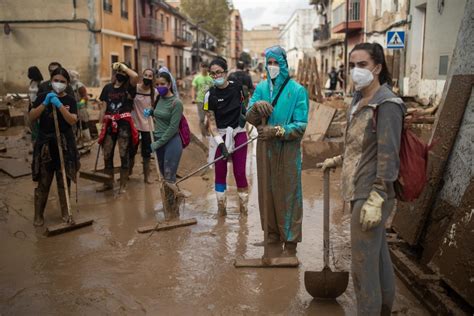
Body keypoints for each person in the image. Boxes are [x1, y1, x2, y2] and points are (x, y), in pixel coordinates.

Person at [321, 42, 406, 315]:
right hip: (360, 188)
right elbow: (357, 145)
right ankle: (383, 309)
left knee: (362, 265)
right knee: (378, 258)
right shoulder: (359, 101)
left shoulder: (387, 104)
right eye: (352, 65)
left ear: (377, 68)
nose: (355, 71)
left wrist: (377, 196)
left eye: (362, 65)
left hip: (371, 194)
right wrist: (337, 160)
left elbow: (388, 155)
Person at [246, 45, 308, 257]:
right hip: (264, 149)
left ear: (284, 64)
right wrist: (255, 108)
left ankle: (290, 243)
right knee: (267, 192)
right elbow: (249, 116)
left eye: (276, 63)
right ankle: (271, 236)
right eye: (269, 63)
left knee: (288, 195)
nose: (272, 67)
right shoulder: (261, 89)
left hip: (287, 152)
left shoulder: (297, 91)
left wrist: (277, 130)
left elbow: (300, 126)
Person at [29, 67, 80, 226]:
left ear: (67, 83)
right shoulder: (42, 96)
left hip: (64, 144)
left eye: (62, 81)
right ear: (51, 81)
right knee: (44, 181)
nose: (59, 84)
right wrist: (45, 103)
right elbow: (32, 116)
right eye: (56, 81)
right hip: (46, 145)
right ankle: (38, 215)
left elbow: (72, 120)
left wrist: (59, 105)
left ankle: (66, 212)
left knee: (63, 179)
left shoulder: (70, 100)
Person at [203, 56, 249, 217]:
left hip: (239, 133)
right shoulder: (209, 95)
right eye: (212, 74)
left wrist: (245, 118)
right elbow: (212, 124)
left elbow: (244, 108)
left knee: (239, 173)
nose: (216, 76)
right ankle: (221, 210)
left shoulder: (237, 88)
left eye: (218, 72)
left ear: (226, 72)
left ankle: (244, 212)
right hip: (219, 135)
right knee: (220, 172)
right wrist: (221, 145)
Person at [97, 62, 139, 193]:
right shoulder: (107, 88)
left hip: (124, 125)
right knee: (107, 154)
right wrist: (100, 125)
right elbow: (103, 107)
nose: (120, 74)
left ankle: (123, 185)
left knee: (123, 153)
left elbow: (136, 76)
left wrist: (124, 67)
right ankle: (108, 183)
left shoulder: (129, 88)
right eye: (118, 72)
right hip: (109, 124)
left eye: (123, 72)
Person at [144, 68, 183, 186]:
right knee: (163, 177)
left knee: (169, 177)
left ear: (169, 84)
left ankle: (171, 203)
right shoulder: (158, 99)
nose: (159, 87)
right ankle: (172, 201)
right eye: (157, 84)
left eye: (162, 84)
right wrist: (151, 112)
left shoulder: (176, 103)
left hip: (171, 142)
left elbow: (173, 128)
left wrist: (158, 143)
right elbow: (158, 113)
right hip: (158, 140)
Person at [132, 68, 157, 183]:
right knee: (131, 150)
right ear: (142, 76)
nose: (147, 77)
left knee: (146, 153)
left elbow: (156, 107)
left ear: (153, 78)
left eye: (150, 76)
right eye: (145, 75)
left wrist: (152, 111)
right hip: (134, 125)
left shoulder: (154, 92)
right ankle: (128, 172)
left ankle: (147, 176)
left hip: (148, 126)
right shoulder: (135, 88)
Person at [191, 62, 214, 136]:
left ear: (208, 68)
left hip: (209, 101)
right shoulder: (197, 78)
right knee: (201, 119)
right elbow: (193, 89)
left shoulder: (211, 77)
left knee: (210, 117)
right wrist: (193, 98)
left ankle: (206, 129)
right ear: (200, 67)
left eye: (206, 66)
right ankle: (203, 134)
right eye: (203, 66)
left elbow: (214, 89)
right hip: (200, 100)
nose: (204, 68)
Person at [69, 70, 91, 144]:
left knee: (83, 124)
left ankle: (88, 140)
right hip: (72, 107)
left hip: (80, 108)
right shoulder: (68, 86)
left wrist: (80, 103)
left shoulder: (80, 85)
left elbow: (85, 97)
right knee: (74, 125)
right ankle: (76, 141)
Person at [27, 66, 44, 145]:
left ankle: (38, 140)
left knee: (38, 123)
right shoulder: (32, 82)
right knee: (32, 123)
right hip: (31, 104)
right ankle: (35, 139)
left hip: (37, 105)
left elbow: (40, 96)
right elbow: (30, 94)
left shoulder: (40, 84)